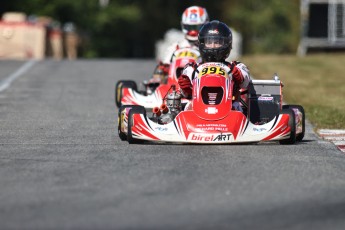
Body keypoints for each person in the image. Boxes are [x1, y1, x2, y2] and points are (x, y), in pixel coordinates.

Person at [177, 20, 251, 112]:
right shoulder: (192, 68)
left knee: (237, 105)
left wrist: (237, 74)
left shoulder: (235, 66)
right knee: (187, 106)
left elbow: (245, 82)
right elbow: (183, 93)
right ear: (202, 43)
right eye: (209, 42)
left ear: (226, 44)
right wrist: (186, 89)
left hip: (230, 110)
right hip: (197, 111)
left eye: (217, 42)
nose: (213, 46)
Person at [152, 6, 209, 82]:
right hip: (173, 85)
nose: (193, 32)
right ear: (183, 25)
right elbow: (164, 66)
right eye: (190, 27)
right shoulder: (176, 47)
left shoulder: (209, 47)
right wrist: (162, 71)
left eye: (197, 27)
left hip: (198, 83)